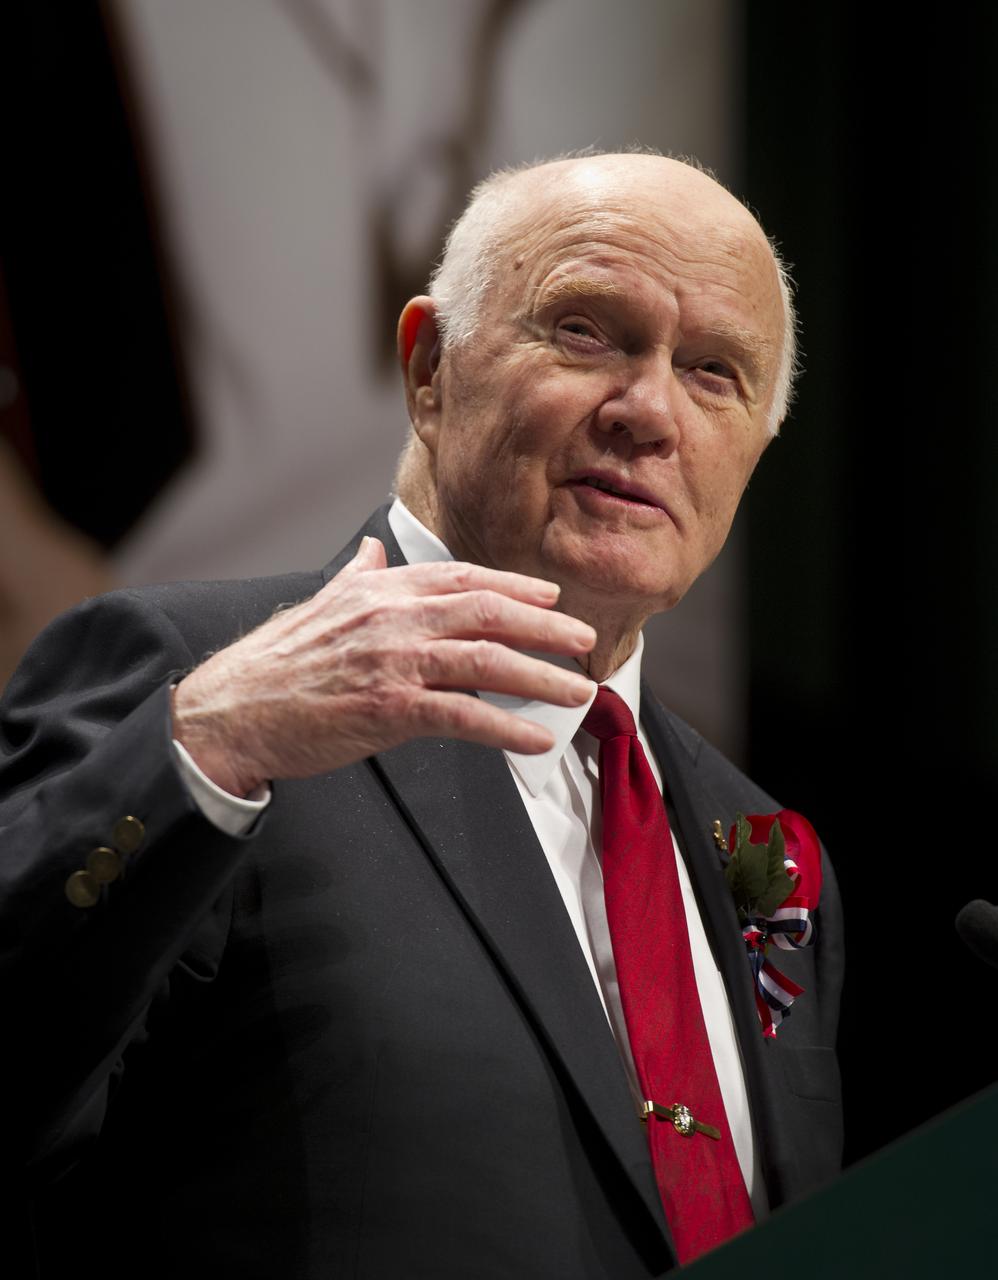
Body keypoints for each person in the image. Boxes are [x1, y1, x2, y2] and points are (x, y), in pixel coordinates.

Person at [1, 152, 843, 1278]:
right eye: (587, 332)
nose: (647, 413)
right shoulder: (199, 683)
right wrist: (202, 747)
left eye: (711, 372)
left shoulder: (762, 850)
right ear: (429, 364)